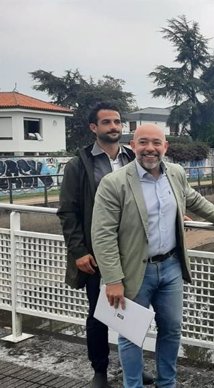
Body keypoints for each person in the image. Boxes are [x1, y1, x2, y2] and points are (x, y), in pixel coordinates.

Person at [91, 123, 214, 388]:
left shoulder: (175, 172)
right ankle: (133, 385)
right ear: (133, 145)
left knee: (171, 330)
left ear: (165, 147)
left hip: (171, 267)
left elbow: (193, 199)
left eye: (156, 143)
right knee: (131, 335)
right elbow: (103, 234)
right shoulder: (114, 182)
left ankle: (167, 383)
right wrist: (113, 278)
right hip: (133, 271)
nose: (150, 149)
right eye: (143, 142)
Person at [57, 102, 154, 388]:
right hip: (97, 255)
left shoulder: (134, 158)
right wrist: (79, 251)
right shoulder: (80, 164)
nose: (114, 127)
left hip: (134, 253)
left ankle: (132, 370)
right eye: (107, 122)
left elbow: (151, 193)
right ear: (93, 128)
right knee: (98, 314)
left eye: (117, 121)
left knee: (135, 313)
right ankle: (99, 370)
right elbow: (68, 212)